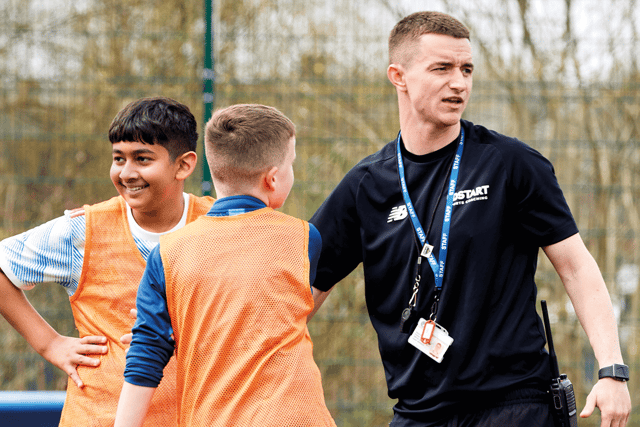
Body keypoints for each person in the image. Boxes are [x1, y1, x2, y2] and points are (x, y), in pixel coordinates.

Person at [308, 11, 631, 427]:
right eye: (441, 68)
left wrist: (611, 369)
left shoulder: (511, 164)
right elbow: (299, 297)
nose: (458, 82)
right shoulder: (364, 187)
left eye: (466, 69)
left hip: (516, 404)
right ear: (398, 76)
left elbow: (577, 266)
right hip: (418, 412)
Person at [114, 104, 336, 427]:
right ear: (272, 179)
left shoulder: (167, 254)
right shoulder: (304, 239)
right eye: (291, 165)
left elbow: (145, 357)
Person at [0, 97, 214, 426]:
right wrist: (49, 344)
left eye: (142, 159)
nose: (126, 172)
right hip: (100, 416)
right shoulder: (80, 232)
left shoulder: (219, 227)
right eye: (118, 159)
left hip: (198, 416)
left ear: (183, 165)